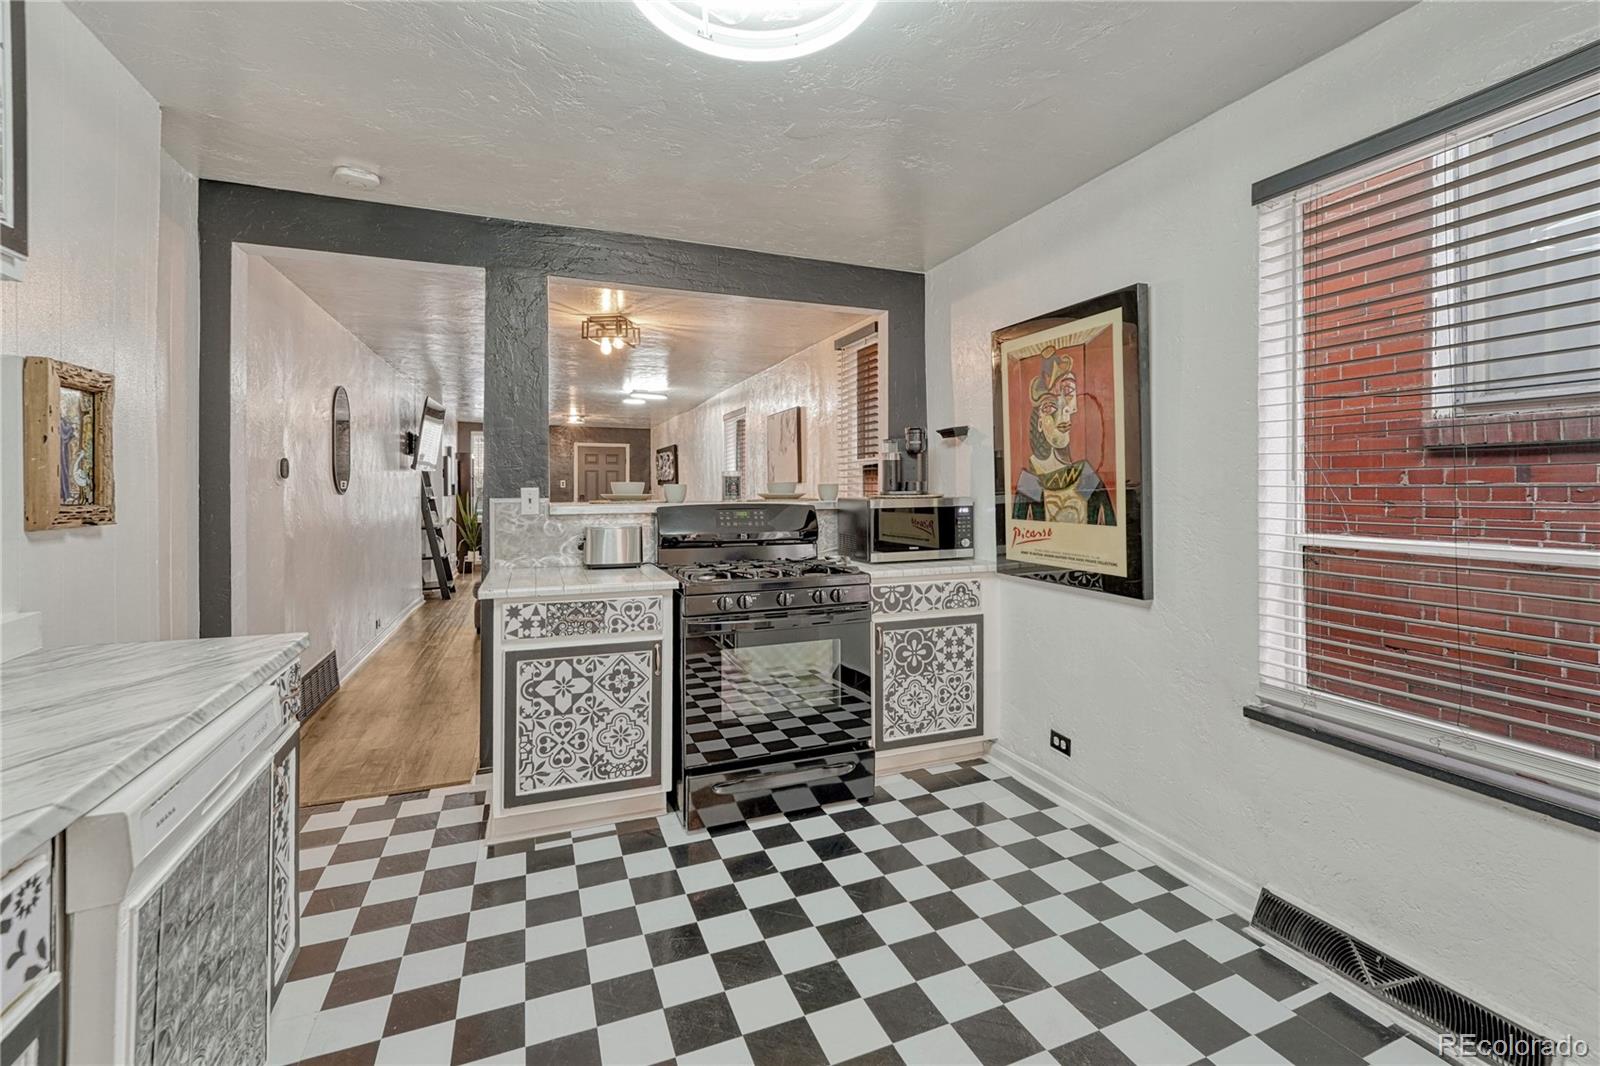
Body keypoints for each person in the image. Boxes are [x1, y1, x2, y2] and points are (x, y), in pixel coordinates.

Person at [1012, 347, 1115, 525]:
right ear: (1039, 422)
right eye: (1050, 407)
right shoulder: (1032, 478)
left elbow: (1109, 529)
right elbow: (1020, 536)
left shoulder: (1085, 475)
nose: (1063, 413)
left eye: (1068, 393)